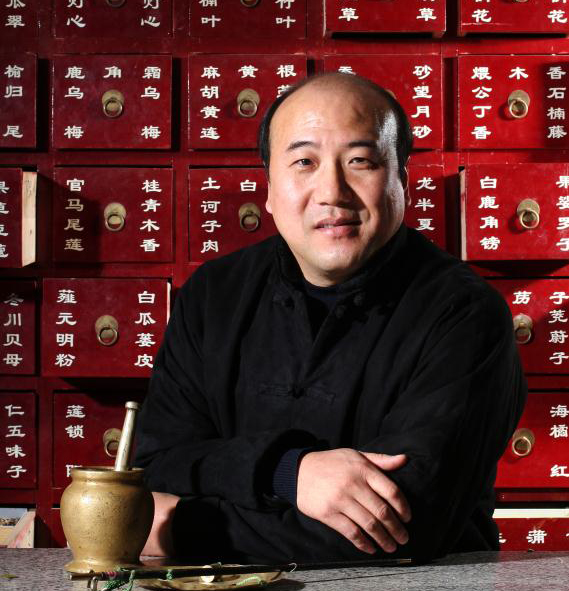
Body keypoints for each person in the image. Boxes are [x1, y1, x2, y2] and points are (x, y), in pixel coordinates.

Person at [134, 72, 527, 564]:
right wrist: (287, 471)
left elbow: (404, 526)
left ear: (402, 181)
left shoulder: (464, 312)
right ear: (269, 190)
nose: (332, 192)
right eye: (304, 162)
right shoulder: (213, 294)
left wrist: (180, 529)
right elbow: (157, 466)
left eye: (360, 161)